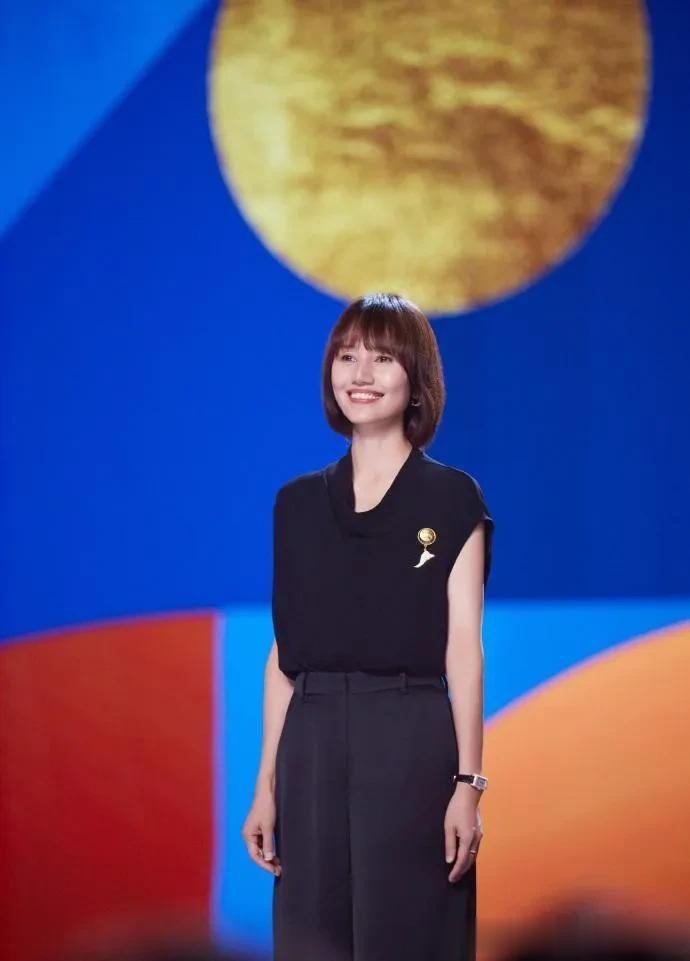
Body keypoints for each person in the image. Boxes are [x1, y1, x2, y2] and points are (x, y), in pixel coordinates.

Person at [241, 293, 494, 961]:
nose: (361, 373)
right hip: (311, 742)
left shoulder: (452, 497)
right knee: (312, 942)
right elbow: (285, 653)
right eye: (347, 356)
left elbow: (463, 651)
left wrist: (467, 785)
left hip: (409, 736)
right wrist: (265, 785)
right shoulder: (296, 503)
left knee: (411, 936)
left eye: (382, 358)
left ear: (416, 376)